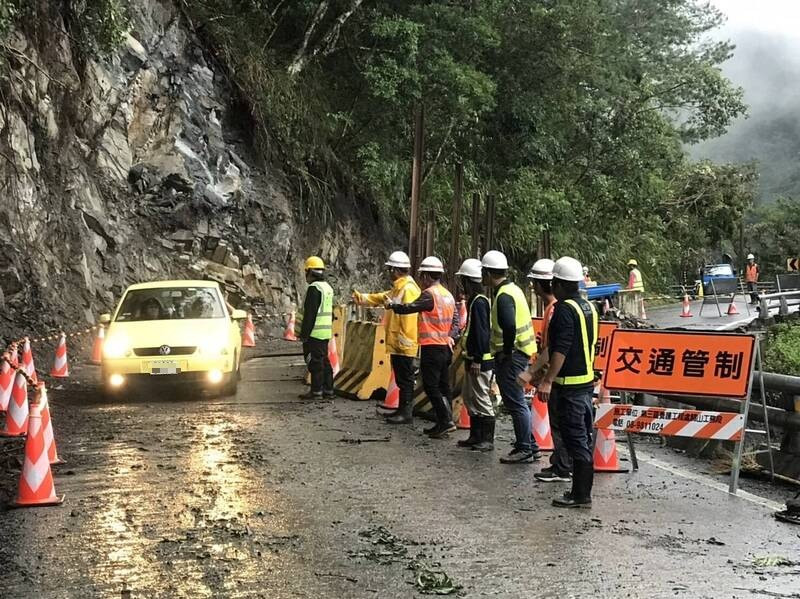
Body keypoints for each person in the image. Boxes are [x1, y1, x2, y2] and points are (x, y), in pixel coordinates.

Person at [537, 256, 599, 508]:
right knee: (582, 437)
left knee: (575, 439)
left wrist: (547, 380)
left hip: (570, 386)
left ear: (559, 283)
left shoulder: (563, 310)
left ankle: (581, 494)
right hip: (585, 384)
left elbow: (559, 349)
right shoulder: (588, 307)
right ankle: (580, 491)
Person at [386, 256, 458, 438]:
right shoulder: (448, 295)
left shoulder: (429, 294)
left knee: (431, 386)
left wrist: (393, 306)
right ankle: (444, 422)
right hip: (445, 347)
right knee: (443, 386)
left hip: (431, 347)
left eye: (422, 276)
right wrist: (450, 336)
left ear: (426, 276)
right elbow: (456, 320)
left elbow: (410, 307)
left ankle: (445, 421)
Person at [482, 250, 539, 464]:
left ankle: (525, 447)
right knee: (517, 402)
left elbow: (508, 326)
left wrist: (505, 351)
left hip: (513, 355)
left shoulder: (504, 295)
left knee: (515, 403)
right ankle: (529, 445)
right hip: (520, 352)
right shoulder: (513, 289)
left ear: (488, 273)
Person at [519, 259, 572, 483]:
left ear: (540, 285)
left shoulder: (555, 311)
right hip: (559, 374)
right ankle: (559, 463)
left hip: (559, 376)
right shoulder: (559, 309)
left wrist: (536, 374)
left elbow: (553, 348)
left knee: (561, 423)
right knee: (560, 423)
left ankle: (562, 467)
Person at [353, 251, 421, 424]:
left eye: (390, 269)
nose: (389, 272)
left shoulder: (408, 289)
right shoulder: (401, 287)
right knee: (401, 378)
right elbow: (383, 297)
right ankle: (401, 410)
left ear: (395, 270)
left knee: (405, 379)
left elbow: (408, 318)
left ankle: (406, 413)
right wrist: (363, 298)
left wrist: (402, 340)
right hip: (400, 341)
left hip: (404, 342)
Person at [454, 258, 495, 451]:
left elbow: (481, 332)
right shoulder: (475, 301)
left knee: (481, 398)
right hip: (472, 357)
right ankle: (475, 435)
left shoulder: (479, 302)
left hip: (481, 360)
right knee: (470, 397)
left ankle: (486, 439)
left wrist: (478, 358)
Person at [298, 256, 335, 400]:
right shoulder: (327, 287)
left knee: (315, 362)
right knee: (324, 361)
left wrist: (304, 334)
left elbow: (310, 314)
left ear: (309, 272)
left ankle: (316, 391)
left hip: (315, 332)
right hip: (325, 331)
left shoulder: (314, 289)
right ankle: (328, 390)